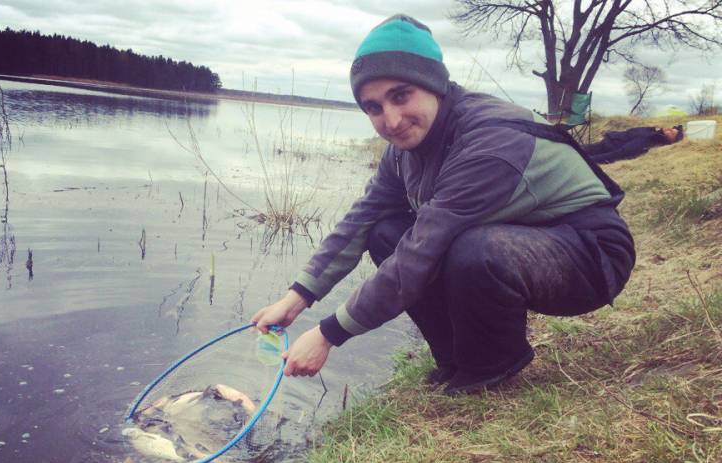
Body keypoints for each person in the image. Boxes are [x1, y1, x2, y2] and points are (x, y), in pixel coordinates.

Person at [251, 14, 636, 395]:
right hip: (523, 238)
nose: (391, 120)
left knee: (474, 250)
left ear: (433, 84)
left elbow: (422, 250)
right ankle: (454, 359)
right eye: (373, 107)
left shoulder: (489, 141)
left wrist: (329, 333)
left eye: (401, 95)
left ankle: (494, 362)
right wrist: (296, 298)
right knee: (385, 233)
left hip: (590, 254)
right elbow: (360, 221)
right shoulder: (403, 150)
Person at [582, 125, 684, 164]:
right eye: (671, 128)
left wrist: (590, 160)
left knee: (576, 152)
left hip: (605, 147)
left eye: (672, 133)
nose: (669, 129)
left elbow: (619, 154)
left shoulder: (648, 140)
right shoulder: (652, 131)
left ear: (669, 141)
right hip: (607, 141)